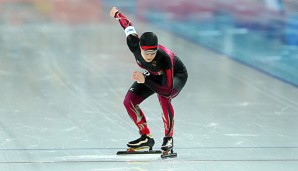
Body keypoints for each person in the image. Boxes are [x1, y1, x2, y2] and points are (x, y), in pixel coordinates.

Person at [109, 7, 188, 154]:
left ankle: (168, 139)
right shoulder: (134, 44)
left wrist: (144, 79)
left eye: (153, 52)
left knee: (164, 97)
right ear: (140, 48)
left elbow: (167, 90)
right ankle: (146, 137)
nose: (150, 55)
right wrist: (117, 14)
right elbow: (128, 26)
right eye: (146, 52)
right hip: (154, 74)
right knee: (129, 101)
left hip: (176, 75)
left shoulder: (165, 59)